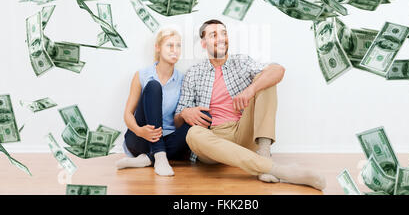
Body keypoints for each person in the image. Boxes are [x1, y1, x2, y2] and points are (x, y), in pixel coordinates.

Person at [173, 19, 326, 190]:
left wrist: (250, 90)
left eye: (224, 33)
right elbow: (177, 120)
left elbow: (278, 70)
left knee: (265, 79)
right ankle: (276, 169)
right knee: (193, 134)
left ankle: (265, 155)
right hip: (215, 138)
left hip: (243, 131)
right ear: (203, 43)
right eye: (214, 35)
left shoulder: (242, 62)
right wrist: (184, 113)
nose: (221, 38)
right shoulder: (193, 73)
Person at [115, 28, 191, 176]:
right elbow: (127, 114)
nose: (175, 50)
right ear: (158, 47)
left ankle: (149, 158)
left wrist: (184, 115)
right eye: (170, 45)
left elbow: (177, 123)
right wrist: (139, 130)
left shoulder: (183, 80)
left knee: (194, 127)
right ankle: (160, 155)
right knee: (153, 86)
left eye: (178, 46)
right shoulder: (142, 75)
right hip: (141, 138)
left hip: (168, 138)